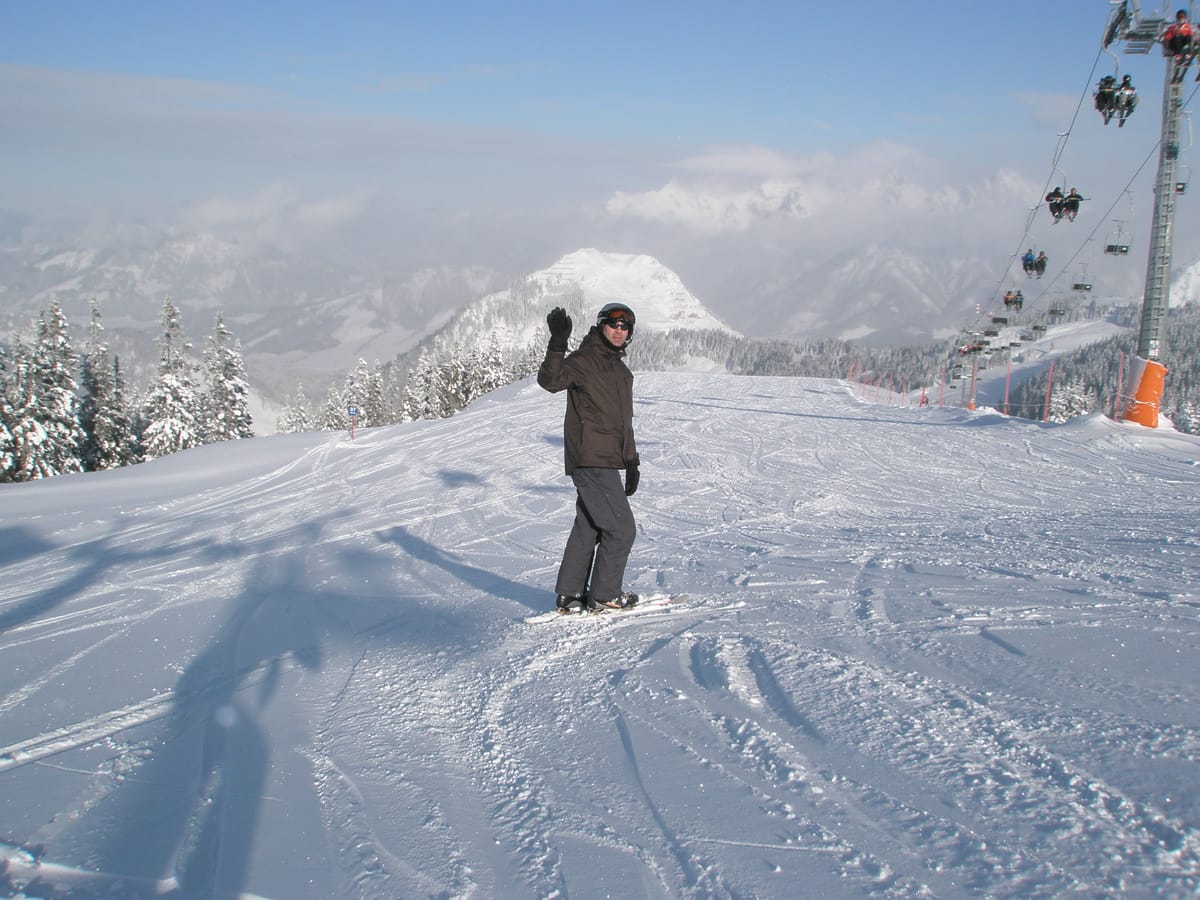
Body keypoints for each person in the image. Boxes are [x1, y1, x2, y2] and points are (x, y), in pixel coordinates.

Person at [538, 302, 641, 613]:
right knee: (622, 530)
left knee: (589, 526)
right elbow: (551, 381)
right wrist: (558, 343)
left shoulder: (620, 371)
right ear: (601, 326)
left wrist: (631, 459)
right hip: (591, 458)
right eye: (613, 324)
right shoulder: (585, 360)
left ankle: (570, 593)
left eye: (624, 327)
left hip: (608, 458)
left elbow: (622, 422)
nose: (618, 330)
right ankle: (606, 593)